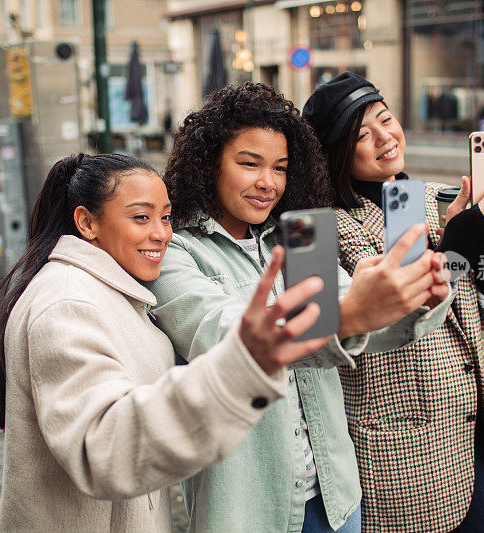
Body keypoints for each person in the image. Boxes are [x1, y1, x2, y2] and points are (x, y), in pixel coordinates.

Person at [146, 83, 453, 532]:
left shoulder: (301, 237)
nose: (267, 182)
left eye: (280, 168)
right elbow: (219, 333)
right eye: (249, 164)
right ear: (209, 163)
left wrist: (419, 297)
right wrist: (347, 314)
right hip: (248, 508)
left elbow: (366, 328)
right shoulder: (176, 252)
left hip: (337, 499)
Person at [0, 152, 334, 532]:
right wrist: (241, 370)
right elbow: (103, 449)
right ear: (87, 223)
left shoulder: (115, 288)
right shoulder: (67, 302)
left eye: (165, 217)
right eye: (140, 217)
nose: (162, 233)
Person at [303, 72, 484, 532]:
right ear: (332, 152)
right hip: (401, 456)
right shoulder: (314, 229)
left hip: (472, 430)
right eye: (362, 134)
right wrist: (455, 256)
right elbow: (336, 337)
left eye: (386, 119)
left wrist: (482, 249)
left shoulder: (432, 198)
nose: (386, 137)